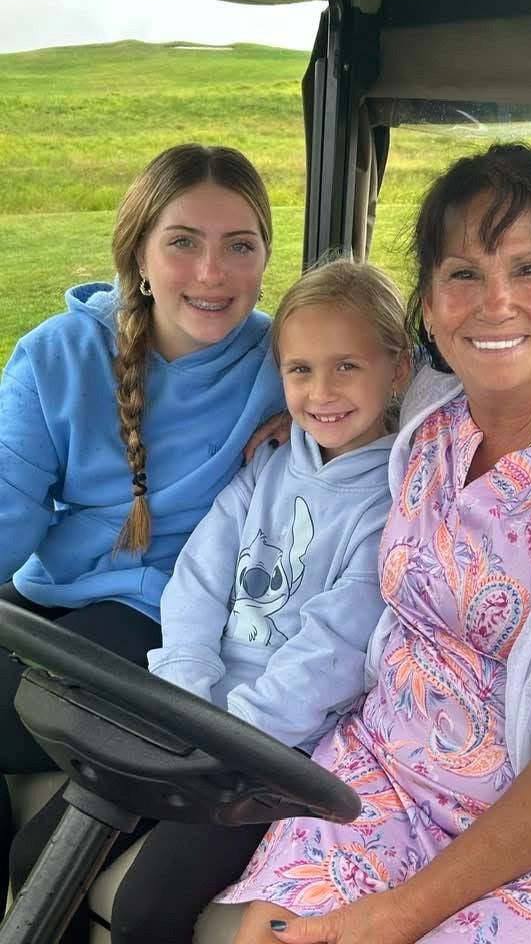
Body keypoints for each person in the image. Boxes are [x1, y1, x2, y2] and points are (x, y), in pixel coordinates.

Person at [220, 143, 531, 944]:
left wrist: (399, 914)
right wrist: (306, 433)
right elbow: (344, 373)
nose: (494, 303)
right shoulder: (433, 413)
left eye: (530, 270)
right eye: (463, 274)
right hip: (383, 776)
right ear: (430, 306)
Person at [0, 142, 285, 934]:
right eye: (184, 242)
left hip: (167, 623)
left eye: (240, 246)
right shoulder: (59, 355)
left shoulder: (291, 360)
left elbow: (384, 384)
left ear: (265, 258)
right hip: (47, 601)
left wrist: (330, 415)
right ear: (138, 252)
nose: (212, 273)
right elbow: (7, 514)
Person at [102, 259, 411, 944]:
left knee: (145, 910)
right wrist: (184, 695)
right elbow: (198, 581)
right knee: (43, 852)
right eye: (300, 370)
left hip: (274, 753)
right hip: (192, 715)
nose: (321, 391)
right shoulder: (268, 463)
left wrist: (224, 737)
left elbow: (332, 651)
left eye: (347, 367)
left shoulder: (392, 502)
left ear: (398, 369)